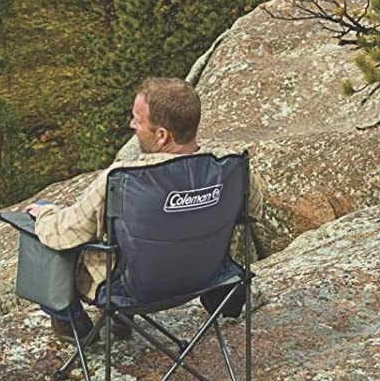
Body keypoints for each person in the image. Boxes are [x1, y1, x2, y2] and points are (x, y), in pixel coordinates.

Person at [28, 77, 265, 340]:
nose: (132, 125)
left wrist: (44, 214)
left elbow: (65, 233)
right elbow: (252, 212)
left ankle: (75, 328)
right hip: (207, 278)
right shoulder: (232, 167)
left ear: (162, 135)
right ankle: (123, 321)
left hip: (128, 291)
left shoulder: (124, 178)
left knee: (39, 236)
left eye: (138, 121)